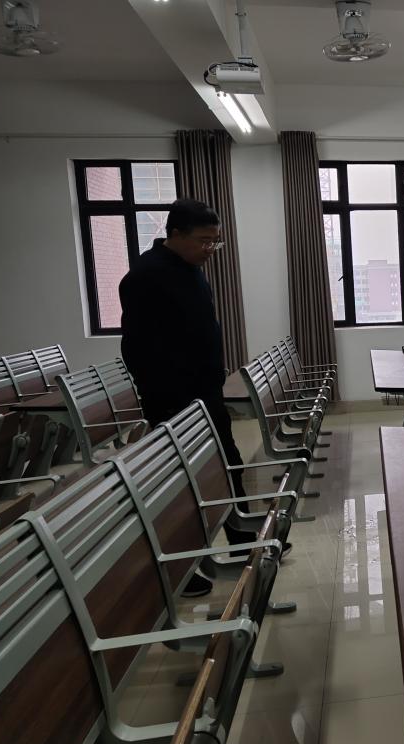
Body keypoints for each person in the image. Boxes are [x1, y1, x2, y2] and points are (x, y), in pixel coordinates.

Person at [119, 198, 286, 598]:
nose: (211, 249)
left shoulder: (190, 269)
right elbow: (137, 349)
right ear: (175, 234)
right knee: (180, 487)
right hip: (173, 400)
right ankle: (179, 568)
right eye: (204, 241)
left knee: (227, 464)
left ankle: (243, 540)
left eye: (216, 241)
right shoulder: (145, 276)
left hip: (204, 394)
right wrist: (170, 398)